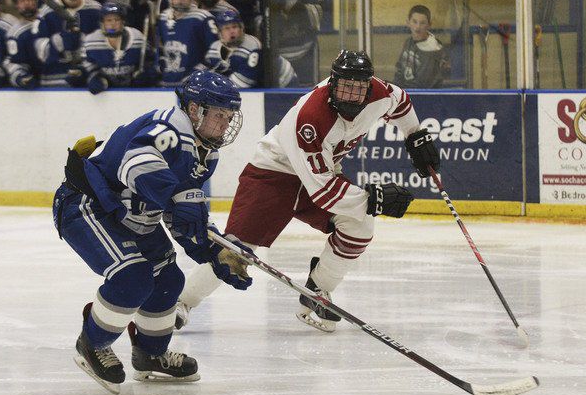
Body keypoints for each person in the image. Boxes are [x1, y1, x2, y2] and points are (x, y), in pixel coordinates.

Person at [175, 50, 441, 333]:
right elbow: (325, 193)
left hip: (320, 173)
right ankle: (181, 303)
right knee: (236, 251)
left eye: (359, 88)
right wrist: (372, 199)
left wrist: (414, 134)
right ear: (332, 84)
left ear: (369, 85)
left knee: (359, 225)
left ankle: (316, 291)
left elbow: (400, 101)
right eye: (345, 87)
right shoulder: (311, 117)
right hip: (274, 174)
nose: (353, 95)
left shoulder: (378, 93)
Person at [52, 70, 253, 393]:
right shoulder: (169, 127)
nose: (225, 124)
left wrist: (213, 249)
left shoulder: (206, 153)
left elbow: (182, 213)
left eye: (229, 117)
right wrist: (175, 199)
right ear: (193, 110)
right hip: (89, 206)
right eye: (219, 115)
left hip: (133, 215)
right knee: (133, 277)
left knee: (169, 279)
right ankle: (92, 344)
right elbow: (136, 162)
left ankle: (150, 355)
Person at [34, 0, 101, 86]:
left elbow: (103, 45)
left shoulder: (96, 10)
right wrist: (58, 42)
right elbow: (39, 49)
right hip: (54, 79)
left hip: (86, 79)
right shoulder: (47, 11)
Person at [204, 9, 296, 88]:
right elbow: (207, 69)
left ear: (241, 28)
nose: (232, 31)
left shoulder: (253, 46)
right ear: (220, 32)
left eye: (235, 27)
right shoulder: (215, 47)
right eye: (227, 28)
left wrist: (215, 86)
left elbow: (244, 83)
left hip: (285, 80)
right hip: (264, 82)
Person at [156, 0, 219, 87]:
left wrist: (197, 73)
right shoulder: (163, 17)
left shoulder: (203, 18)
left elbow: (216, 50)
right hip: (167, 81)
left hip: (195, 83)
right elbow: (160, 47)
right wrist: (160, 68)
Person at [77, 2, 147, 93]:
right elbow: (87, 66)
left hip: (132, 92)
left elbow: (148, 61)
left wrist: (146, 73)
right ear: (102, 23)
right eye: (109, 20)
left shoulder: (137, 37)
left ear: (123, 22)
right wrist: (95, 78)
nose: (113, 24)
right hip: (105, 94)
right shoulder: (90, 41)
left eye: (117, 20)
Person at [393, 5, 445, 89]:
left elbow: (423, 84)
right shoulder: (408, 42)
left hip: (425, 97)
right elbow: (400, 69)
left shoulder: (432, 48)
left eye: (422, 23)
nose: (417, 27)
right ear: (408, 22)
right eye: (414, 21)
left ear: (429, 25)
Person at [5, 0, 41, 89]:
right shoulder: (14, 33)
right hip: (35, 85)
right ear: (17, 5)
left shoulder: (49, 21)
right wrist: (21, 76)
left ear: (36, 1)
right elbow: (16, 62)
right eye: (21, 1)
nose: (26, 4)